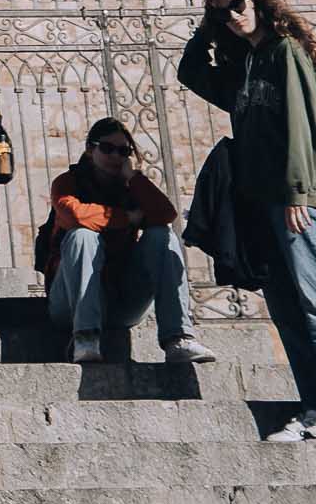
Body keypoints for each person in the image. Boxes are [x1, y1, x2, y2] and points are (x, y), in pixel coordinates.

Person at [180, 0, 316, 442]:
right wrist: (206, 29)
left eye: (239, 4)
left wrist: (298, 192)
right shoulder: (244, 65)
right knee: (286, 306)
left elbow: (303, 125)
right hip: (260, 199)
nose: (234, 15)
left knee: (315, 297)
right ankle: (315, 406)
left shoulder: (285, 52)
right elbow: (191, 74)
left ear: (259, 2)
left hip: (292, 199)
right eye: (222, 11)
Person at [44, 119, 214, 365]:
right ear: (91, 150)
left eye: (123, 151)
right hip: (69, 305)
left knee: (161, 235)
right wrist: (126, 218)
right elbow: (74, 214)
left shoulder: (131, 186)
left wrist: (134, 178)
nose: (115, 156)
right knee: (83, 235)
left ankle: (178, 337)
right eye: (107, 148)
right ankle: (85, 338)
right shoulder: (67, 183)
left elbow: (166, 214)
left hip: (122, 302)